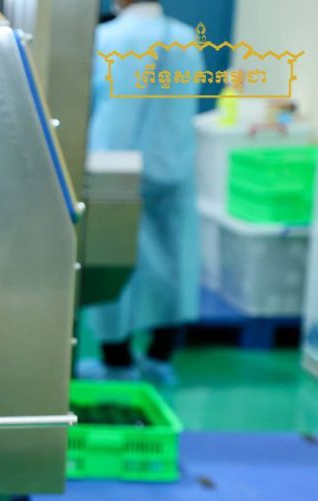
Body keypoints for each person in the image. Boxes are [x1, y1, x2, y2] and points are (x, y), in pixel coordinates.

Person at [79, 0, 203, 386]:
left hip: (113, 166)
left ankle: (116, 360)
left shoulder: (105, 38)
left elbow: (85, 101)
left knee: (111, 261)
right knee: (173, 259)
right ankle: (160, 357)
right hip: (173, 167)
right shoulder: (186, 39)